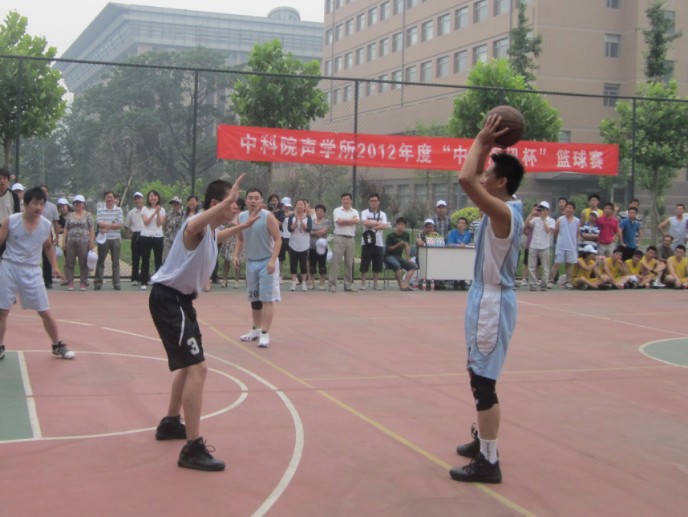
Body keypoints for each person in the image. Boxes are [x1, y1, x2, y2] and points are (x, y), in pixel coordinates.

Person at [150, 174, 257, 471]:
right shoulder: (194, 225)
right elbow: (193, 227)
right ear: (215, 203)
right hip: (169, 300)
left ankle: (171, 422)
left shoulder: (211, 231)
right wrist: (226, 203)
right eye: (232, 202)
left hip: (180, 301)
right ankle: (192, 448)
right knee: (199, 368)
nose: (236, 207)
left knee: (188, 366)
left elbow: (216, 237)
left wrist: (243, 226)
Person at [450, 114, 525, 484]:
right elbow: (475, 173)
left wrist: (482, 139)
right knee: (476, 372)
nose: (483, 176)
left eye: (489, 174)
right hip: (484, 298)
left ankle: (489, 461)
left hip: (492, 303)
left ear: (502, 181)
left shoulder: (503, 212)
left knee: (484, 383)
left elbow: (465, 178)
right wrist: (488, 146)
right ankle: (484, 442)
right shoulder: (503, 204)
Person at [0, 187, 75, 361]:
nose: (39, 207)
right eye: (35, 203)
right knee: (2, 311)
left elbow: (48, 246)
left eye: (42, 204)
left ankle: (57, 345)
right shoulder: (11, 221)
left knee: (45, 312)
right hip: (9, 267)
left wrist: (55, 267)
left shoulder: (45, 225)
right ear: (26, 204)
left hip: (32, 270)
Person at [235, 188, 282, 348]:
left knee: (266, 299)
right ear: (246, 200)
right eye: (250, 198)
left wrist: (272, 261)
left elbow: (278, 239)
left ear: (261, 200)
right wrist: (236, 255)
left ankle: (265, 333)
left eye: (256, 198)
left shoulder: (268, 217)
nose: (253, 200)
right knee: (254, 298)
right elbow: (240, 239)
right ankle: (255, 329)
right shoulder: (242, 217)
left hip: (266, 261)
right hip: (251, 262)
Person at [328, 193, 360, 292]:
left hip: (351, 239)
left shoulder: (354, 211)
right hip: (339, 238)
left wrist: (345, 221)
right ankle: (332, 284)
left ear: (351, 201)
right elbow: (339, 222)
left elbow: (357, 221)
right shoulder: (337, 210)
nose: (345, 201)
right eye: (344, 199)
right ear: (341, 200)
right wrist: (351, 221)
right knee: (336, 262)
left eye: (347, 199)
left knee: (349, 263)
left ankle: (348, 284)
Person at [63, 195, 95, 291]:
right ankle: (70, 282)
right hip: (71, 241)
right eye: (76, 203)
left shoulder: (88, 215)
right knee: (69, 262)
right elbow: (66, 229)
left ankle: (83, 282)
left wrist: (91, 241)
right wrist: (63, 241)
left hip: (84, 241)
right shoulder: (69, 215)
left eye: (80, 203)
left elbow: (91, 229)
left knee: (83, 262)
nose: (78, 204)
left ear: (83, 204)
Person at [94, 191, 124, 290]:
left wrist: (107, 227)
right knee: (101, 261)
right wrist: (113, 224)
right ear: (105, 199)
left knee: (115, 262)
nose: (109, 199)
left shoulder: (119, 210)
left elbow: (120, 225)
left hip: (115, 238)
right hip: (104, 239)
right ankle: (98, 282)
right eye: (107, 197)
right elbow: (100, 223)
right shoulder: (100, 210)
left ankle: (116, 283)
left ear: (114, 198)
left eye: (111, 197)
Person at [359, 193, 389, 290]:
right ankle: (363, 283)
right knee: (365, 262)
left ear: (379, 202)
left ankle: (375, 284)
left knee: (377, 263)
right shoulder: (364, 212)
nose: (373, 203)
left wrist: (372, 225)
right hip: (366, 241)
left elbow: (385, 226)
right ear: (369, 202)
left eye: (375, 201)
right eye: (371, 201)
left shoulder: (383, 214)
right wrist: (378, 223)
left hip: (378, 242)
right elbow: (365, 223)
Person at [139, 190, 166, 290]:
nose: (153, 197)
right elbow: (146, 222)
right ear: (148, 198)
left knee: (158, 259)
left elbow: (159, 223)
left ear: (158, 198)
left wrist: (158, 212)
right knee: (145, 259)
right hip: (146, 236)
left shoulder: (162, 210)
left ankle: (157, 281)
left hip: (158, 236)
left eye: (155, 196)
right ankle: (144, 281)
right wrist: (155, 212)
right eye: (151, 196)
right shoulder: (145, 209)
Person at [549, 201, 579, 289]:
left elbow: (577, 233)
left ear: (573, 210)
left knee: (569, 264)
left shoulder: (577, 221)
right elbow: (556, 232)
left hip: (571, 246)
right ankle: (550, 280)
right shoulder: (560, 219)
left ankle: (568, 281)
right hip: (561, 245)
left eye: (570, 208)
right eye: (567, 207)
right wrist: (558, 241)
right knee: (556, 264)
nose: (568, 209)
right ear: (565, 209)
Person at [526, 201, 555, 291]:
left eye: (543, 209)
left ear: (547, 210)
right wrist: (531, 213)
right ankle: (532, 284)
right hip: (534, 245)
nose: (541, 211)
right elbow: (527, 224)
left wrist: (543, 219)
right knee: (531, 266)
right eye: (540, 209)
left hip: (544, 246)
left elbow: (547, 230)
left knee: (545, 267)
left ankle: (544, 284)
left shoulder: (551, 220)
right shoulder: (535, 219)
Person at [384, 217, 418, 291]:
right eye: (399, 224)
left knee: (413, 266)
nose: (400, 226)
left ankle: (406, 284)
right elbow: (389, 249)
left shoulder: (406, 235)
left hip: (398, 257)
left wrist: (408, 258)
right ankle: (401, 285)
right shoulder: (390, 236)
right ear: (396, 225)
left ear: (405, 226)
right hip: (389, 256)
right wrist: (398, 245)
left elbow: (407, 246)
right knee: (397, 265)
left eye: (402, 225)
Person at [220, 197, 245, 289]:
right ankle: (224, 279)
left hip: (238, 238)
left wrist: (236, 225)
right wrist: (229, 224)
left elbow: (244, 225)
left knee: (238, 260)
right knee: (227, 260)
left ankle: (236, 280)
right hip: (229, 238)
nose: (235, 206)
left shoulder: (243, 215)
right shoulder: (229, 213)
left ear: (240, 205)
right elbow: (223, 223)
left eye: (237, 204)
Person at [287, 199, 312, 292]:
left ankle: (304, 283)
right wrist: (296, 221)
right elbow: (290, 229)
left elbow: (309, 229)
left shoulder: (308, 217)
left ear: (304, 207)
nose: (300, 206)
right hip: (293, 244)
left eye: (301, 204)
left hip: (304, 244)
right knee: (293, 264)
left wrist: (302, 221)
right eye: (298, 204)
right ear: (295, 206)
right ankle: (293, 282)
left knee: (303, 264)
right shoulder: (291, 217)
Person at [39, 185, 60, 289]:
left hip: (47, 234)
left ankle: (47, 280)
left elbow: (56, 223)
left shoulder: (52, 207)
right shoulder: (33, 205)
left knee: (47, 258)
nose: (43, 193)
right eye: (41, 191)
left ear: (48, 193)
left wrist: (57, 237)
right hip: (33, 233)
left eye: (45, 191)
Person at [308, 204, 330, 290]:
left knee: (322, 265)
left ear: (324, 213)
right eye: (317, 211)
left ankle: (322, 283)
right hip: (312, 246)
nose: (319, 212)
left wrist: (313, 232)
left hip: (322, 247)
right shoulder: (312, 221)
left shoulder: (326, 221)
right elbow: (309, 232)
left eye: (321, 211)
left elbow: (324, 232)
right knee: (312, 265)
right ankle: (312, 283)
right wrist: (318, 231)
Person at [124, 192, 145, 286]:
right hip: (136, 235)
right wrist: (128, 235)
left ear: (143, 200)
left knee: (145, 258)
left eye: (139, 198)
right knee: (135, 258)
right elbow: (126, 226)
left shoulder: (147, 210)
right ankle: (134, 278)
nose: (137, 200)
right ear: (134, 201)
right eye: (136, 199)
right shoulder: (131, 213)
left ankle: (144, 277)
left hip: (146, 235)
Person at [163, 196, 184, 262]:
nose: (175, 205)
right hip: (168, 241)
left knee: (177, 260)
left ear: (180, 205)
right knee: (166, 260)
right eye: (173, 203)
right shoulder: (168, 214)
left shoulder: (183, 215)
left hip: (179, 241)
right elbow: (164, 226)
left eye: (177, 203)